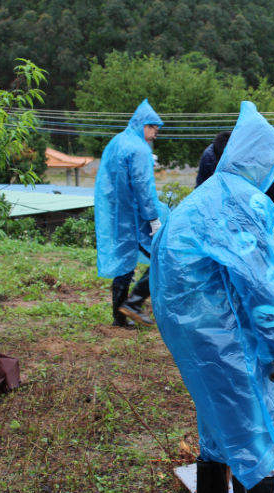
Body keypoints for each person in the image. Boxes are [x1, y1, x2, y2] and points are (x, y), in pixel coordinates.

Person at [151, 101, 274, 493]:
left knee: (217, 425)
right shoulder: (243, 204)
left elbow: (240, 279)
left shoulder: (208, 195)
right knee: (253, 440)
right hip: (220, 336)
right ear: (260, 161)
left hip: (194, 333)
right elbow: (261, 288)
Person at [94, 99, 168, 328]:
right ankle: (133, 303)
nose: (156, 134)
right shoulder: (139, 149)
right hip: (137, 215)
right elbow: (143, 186)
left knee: (124, 261)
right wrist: (153, 218)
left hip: (117, 214)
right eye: (155, 129)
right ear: (145, 125)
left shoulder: (117, 142)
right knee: (162, 256)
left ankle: (120, 317)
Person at [197, 131, 274, 232]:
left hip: (251, 206)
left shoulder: (249, 155)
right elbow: (201, 192)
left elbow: (273, 183)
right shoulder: (209, 158)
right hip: (220, 208)